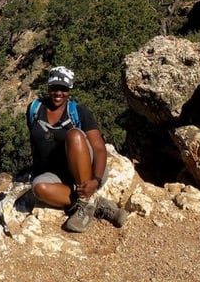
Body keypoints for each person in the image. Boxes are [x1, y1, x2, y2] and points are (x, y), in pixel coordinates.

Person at [27, 66, 127, 233]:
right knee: (39, 189)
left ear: (69, 90)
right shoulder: (35, 109)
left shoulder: (79, 113)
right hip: (57, 174)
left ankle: (85, 201)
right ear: (48, 87)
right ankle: (93, 203)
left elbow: (99, 148)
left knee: (74, 135)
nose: (58, 92)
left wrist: (94, 180)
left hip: (88, 171)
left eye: (63, 88)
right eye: (54, 88)